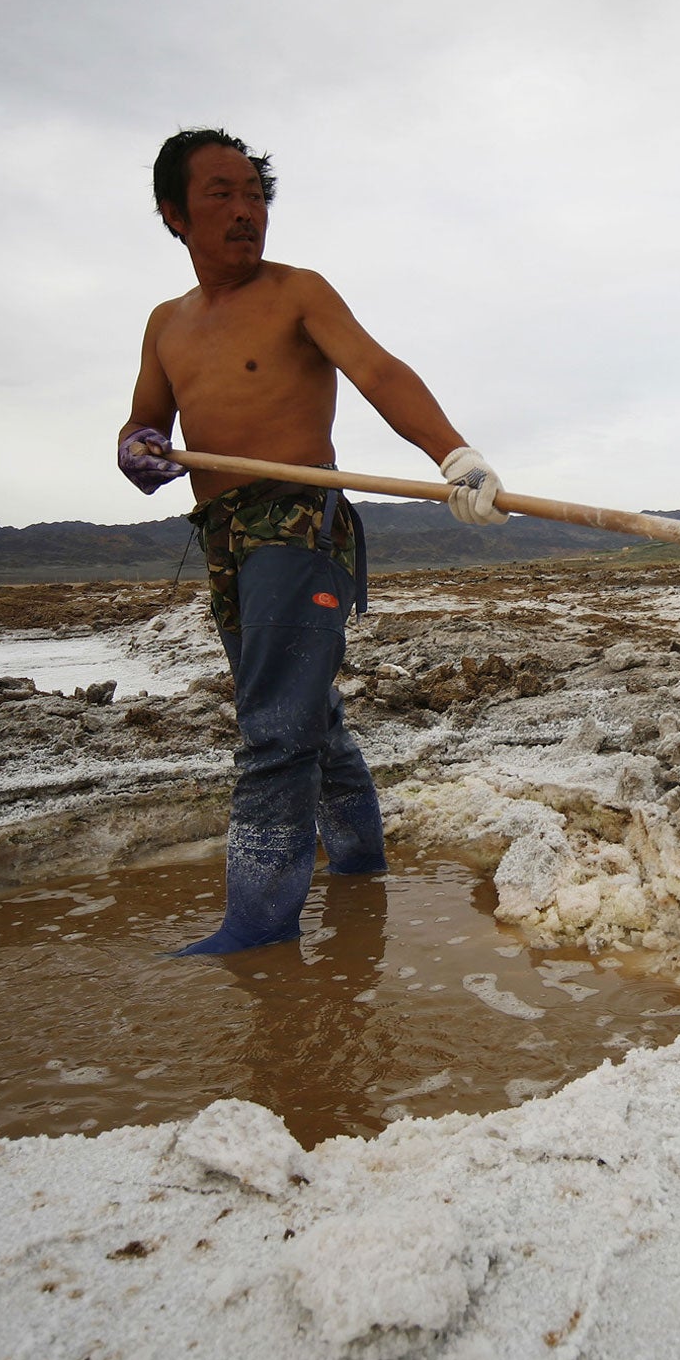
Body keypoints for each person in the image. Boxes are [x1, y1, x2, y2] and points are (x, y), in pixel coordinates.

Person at [117, 127, 507, 955]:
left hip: (299, 526)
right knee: (311, 719)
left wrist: (455, 455)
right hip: (224, 537)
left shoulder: (298, 292)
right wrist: (137, 450)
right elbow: (147, 423)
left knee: (275, 731)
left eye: (255, 194)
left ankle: (259, 926)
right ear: (173, 213)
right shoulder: (166, 325)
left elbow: (378, 371)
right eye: (220, 193)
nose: (244, 210)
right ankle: (361, 870)